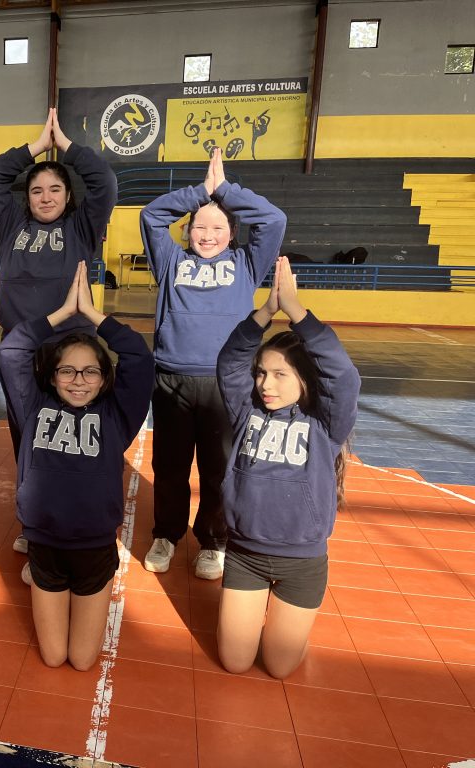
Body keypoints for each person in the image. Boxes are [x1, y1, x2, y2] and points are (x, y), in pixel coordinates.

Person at [0, 262, 153, 670]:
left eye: (90, 372)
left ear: (104, 378)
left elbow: (139, 356)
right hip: (45, 546)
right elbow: (11, 350)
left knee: (83, 661)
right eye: (67, 370)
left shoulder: (117, 417)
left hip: (94, 550)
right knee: (52, 658)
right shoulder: (33, 407)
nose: (79, 380)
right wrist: (63, 314)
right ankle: (40, 579)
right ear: (52, 376)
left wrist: (96, 317)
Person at [142, 147, 287, 580]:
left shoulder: (246, 264)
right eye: (199, 227)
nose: (207, 235)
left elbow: (274, 220)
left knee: (219, 470)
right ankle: (166, 535)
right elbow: (151, 216)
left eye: (218, 227)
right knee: (169, 467)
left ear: (232, 232)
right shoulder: (170, 261)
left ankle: (213, 541)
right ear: (187, 231)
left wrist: (223, 190)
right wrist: (199, 192)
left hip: (228, 385)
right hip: (172, 380)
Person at [0, 107, 118, 553]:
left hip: (71, 350)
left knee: (75, 436)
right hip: (21, 352)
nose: (45, 197)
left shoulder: (82, 227)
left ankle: (82, 513)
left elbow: (105, 182)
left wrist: (68, 148)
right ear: (27, 197)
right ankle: (34, 520)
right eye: (37, 190)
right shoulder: (10, 224)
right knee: (27, 436)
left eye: (55, 189)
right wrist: (35, 149)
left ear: (68, 195)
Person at [215, 257, 360, 678]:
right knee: (235, 662)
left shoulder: (325, 424)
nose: (266, 384)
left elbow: (343, 376)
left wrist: (295, 310)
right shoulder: (246, 412)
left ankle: (288, 628)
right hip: (245, 556)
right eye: (262, 373)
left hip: (302, 564)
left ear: (305, 380)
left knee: (279, 667)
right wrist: (265, 311)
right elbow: (229, 362)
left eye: (280, 375)